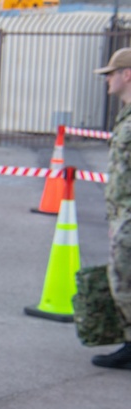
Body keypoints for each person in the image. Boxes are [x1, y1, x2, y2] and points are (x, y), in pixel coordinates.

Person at [90, 47, 131, 370]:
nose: (107, 81)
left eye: (111, 74)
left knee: (123, 284)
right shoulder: (124, 115)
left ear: (126, 74)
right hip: (123, 216)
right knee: (123, 282)